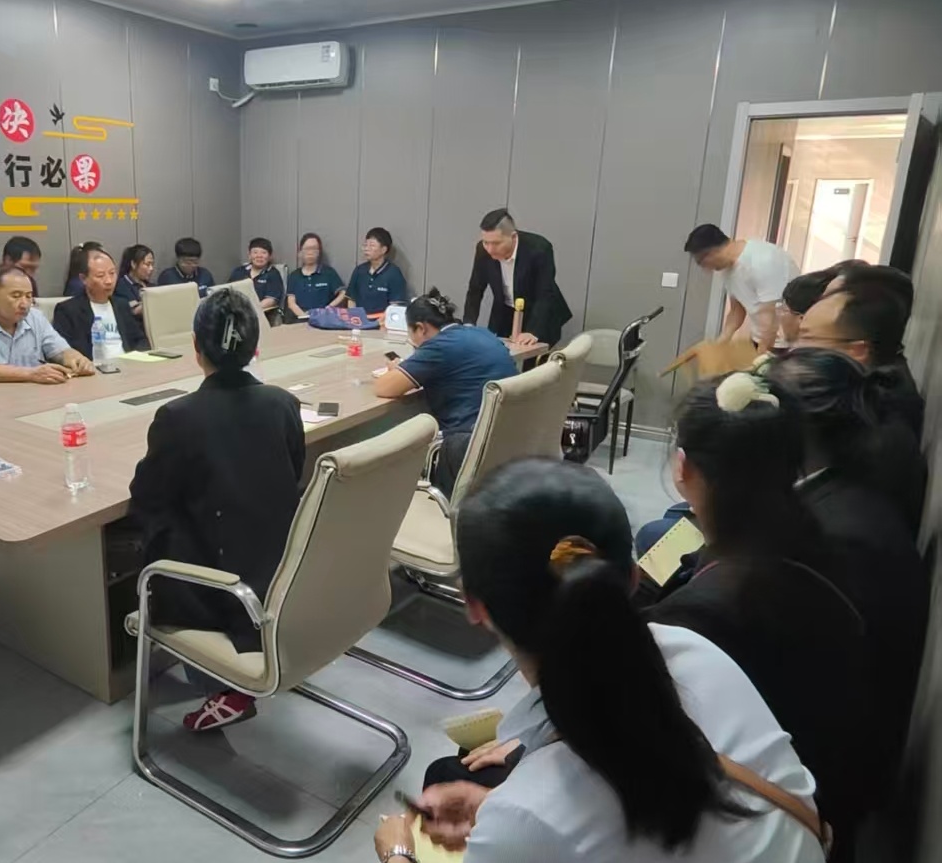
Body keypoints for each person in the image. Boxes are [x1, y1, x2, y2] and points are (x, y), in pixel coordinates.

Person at [374, 459, 825, 863]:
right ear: (631, 577)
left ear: (475, 607)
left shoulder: (531, 812)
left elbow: (565, 815)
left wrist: (397, 853)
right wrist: (494, 806)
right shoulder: (697, 653)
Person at [647, 372, 873, 853]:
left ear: (682, 468)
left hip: (749, 827)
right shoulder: (817, 538)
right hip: (824, 805)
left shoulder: (697, 619)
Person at [128, 289, 305, 731]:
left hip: (219, 591)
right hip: (281, 572)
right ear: (255, 347)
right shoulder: (284, 404)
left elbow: (147, 497)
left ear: (195, 347)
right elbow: (293, 471)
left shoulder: (178, 416)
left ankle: (222, 680)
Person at [764, 348, 928, 795]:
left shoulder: (840, 538)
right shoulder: (843, 489)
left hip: (824, 779)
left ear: (788, 431)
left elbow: (814, 682)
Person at [373, 289, 516, 496]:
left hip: (468, 443)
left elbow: (384, 388)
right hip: (508, 435)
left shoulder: (439, 346)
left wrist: (397, 369)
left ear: (421, 328)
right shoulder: (480, 333)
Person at [797, 274, 923, 438]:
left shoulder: (865, 418)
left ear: (857, 350)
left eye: (807, 337)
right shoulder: (864, 387)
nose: (796, 348)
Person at [0, 265, 93, 383]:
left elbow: (61, 351)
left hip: (29, 395)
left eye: (28, 296)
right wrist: (31, 374)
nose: (24, 304)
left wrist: (77, 359)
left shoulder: (35, 317)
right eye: (16, 296)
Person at [463, 209, 571, 347]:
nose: (490, 249)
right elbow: (475, 289)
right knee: (494, 351)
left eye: (496, 243)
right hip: (505, 310)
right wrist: (469, 324)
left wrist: (533, 331)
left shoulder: (539, 249)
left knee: (530, 355)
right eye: (486, 242)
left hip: (539, 312)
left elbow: (545, 293)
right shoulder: (482, 250)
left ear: (513, 237)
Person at [685, 224, 799, 353]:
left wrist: (760, 356)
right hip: (761, 338)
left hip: (786, 343)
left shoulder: (763, 260)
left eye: (701, 263)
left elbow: (770, 317)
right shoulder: (726, 269)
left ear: (709, 254)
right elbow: (736, 310)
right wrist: (720, 343)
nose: (706, 269)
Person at [53, 248, 148, 361]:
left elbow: (140, 340)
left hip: (128, 365)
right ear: (83, 279)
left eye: (112, 273)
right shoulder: (68, 310)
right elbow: (64, 351)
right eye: (100, 275)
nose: (109, 281)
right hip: (94, 367)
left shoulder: (121, 305)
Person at [344, 227, 407, 317]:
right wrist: (354, 317)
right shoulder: (359, 270)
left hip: (382, 322)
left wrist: (378, 320)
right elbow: (351, 299)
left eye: (372, 245)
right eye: (365, 245)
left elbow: (395, 306)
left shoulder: (394, 273)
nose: (366, 249)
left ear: (383, 249)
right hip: (359, 321)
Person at [284, 232, 345, 322]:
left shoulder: (329, 273)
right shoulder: (294, 276)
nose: (310, 252)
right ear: (300, 251)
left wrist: (328, 308)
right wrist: (305, 316)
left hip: (324, 319)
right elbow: (291, 303)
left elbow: (343, 293)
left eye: (314, 249)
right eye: (307, 249)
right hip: (300, 320)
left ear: (319, 252)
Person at [228, 237, 285, 312]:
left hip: (262, 313)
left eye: (263, 252)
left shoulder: (273, 274)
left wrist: (249, 310)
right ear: (249, 255)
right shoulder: (239, 271)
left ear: (270, 256)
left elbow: (271, 300)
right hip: (237, 312)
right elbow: (228, 292)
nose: (259, 256)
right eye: (255, 252)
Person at [116, 244, 154, 318]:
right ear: (133, 264)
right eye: (147, 264)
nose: (151, 268)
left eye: (152, 264)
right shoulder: (120, 286)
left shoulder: (151, 286)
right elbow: (131, 311)